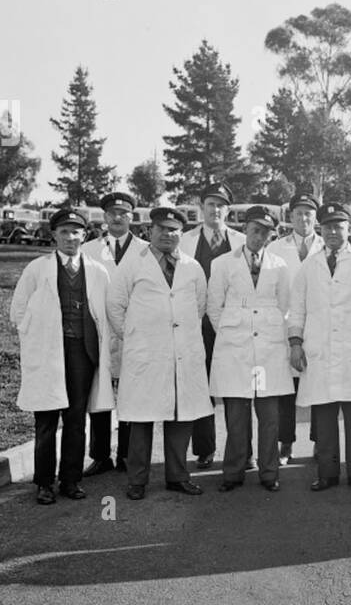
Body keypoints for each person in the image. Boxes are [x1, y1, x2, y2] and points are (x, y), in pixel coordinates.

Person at [10, 207, 115, 505]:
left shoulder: (96, 270)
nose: (71, 237)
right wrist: (34, 340)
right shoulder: (37, 268)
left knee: (75, 419)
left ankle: (71, 479)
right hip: (48, 352)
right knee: (46, 418)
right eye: (65, 232)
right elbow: (18, 311)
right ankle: (44, 482)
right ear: (53, 234)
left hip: (82, 353)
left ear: (85, 235)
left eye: (76, 232)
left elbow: (103, 314)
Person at [107, 207, 212, 500]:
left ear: (181, 233)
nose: (168, 234)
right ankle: (137, 480)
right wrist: (134, 335)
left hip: (182, 353)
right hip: (146, 354)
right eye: (162, 229)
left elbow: (199, 306)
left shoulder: (192, 267)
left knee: (181, 418)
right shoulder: (132, 264)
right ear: (150, 231)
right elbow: (115, 305)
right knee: (141, 419)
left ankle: (177, 477)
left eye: (174, 229)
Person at [289, 202, 351, 492]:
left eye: (339, 226)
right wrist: (295, 345)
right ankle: (327, 474)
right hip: (319, 351)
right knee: (324, 417)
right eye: (328, 226)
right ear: (321, 229)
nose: (333, 231)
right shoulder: (309, 265)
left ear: (349, 228)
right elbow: (297, 310)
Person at [207, 206, 290, 492]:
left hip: (267, 351)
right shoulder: (222, 264)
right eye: (255, 230)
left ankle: (269, 473)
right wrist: (233, 333)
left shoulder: (279, 265)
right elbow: (213, 307)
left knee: (268, 415)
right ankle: (233, 472)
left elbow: (285, 305)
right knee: (237, 415)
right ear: (245, 230)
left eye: (265, 232)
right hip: (235, 350)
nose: (259, 236)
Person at [81, 191, 147, 478]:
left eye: (124, 213)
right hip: (101, 331)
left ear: (133, 217)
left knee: (131, 393)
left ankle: (127, 454)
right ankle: (100, 455)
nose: (118, 218)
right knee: (100, 393)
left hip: (136, 330)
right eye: (112, 214)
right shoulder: (89, 249)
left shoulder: (146, 250)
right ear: (104, 217)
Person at [180, 180, 245, 469]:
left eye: (221, 205)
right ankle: (205, 450)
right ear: (201, 208)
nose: (215, 210)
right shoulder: (186, 240)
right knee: (201, 387)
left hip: (234, 326)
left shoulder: (241, 241)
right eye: (210, 204)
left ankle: (242, 450)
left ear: (228, 210)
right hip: (197, 326)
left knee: (236, 389)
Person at [265, 192, 325, 465]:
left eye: (308, 213)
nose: (303, 218)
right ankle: (285, 443)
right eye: (298, 213)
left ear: (316, 217)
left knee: (318, 387)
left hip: (319, 326)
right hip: (286, 327)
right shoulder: (276, 248)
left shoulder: (327, 246)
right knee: (286, 390)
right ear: (291, 217)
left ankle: (319, 441)